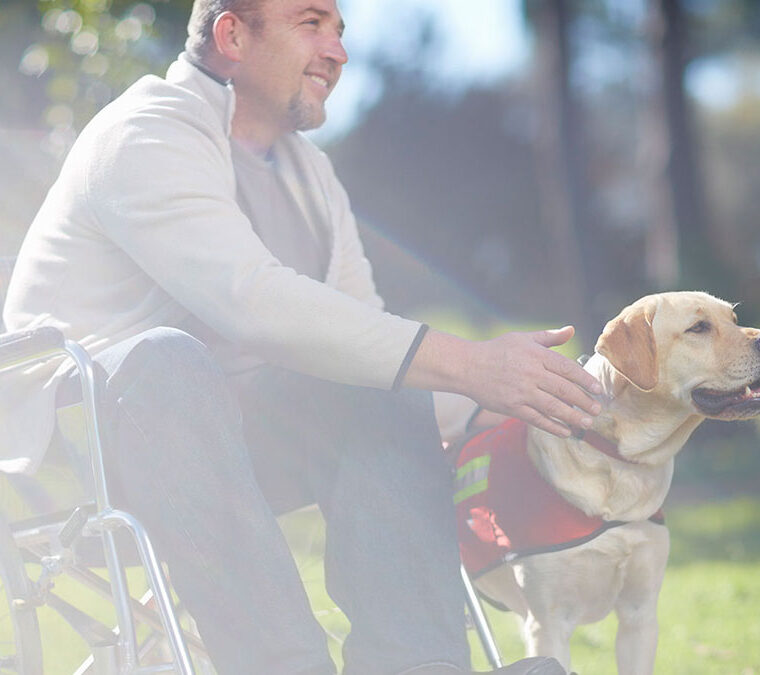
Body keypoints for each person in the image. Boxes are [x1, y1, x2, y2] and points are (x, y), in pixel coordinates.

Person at [2, 0, 603, 672]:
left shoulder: (310, 175)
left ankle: (417, 664)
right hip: (81, 449)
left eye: (340, 31)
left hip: (232, 436)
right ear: (232, 33)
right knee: (164, 361)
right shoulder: (146, 133)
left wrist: (529, 398)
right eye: (310, 23)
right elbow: (250, 300)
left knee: (377, 374)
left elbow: (370, 339)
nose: (338, 52)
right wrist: (468, 363)